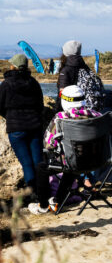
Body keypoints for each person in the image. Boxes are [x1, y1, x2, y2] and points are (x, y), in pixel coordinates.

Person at [28, 85, 102, 214]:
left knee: (42, 167)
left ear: (65, 101)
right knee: (70, 166)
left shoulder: (61, 118)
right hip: (97, 161)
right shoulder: (98, 116)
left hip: (72, 162)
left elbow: (48, 144)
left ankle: (43, 205)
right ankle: (58, 201)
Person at [0, 53, 44, 192]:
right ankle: (42, 191)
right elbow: (40, 105)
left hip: (16, 127)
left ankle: (32, 192)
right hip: (34, 126)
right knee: (38, 162)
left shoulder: (5, 84)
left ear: (13, 66)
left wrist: (10, 116)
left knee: (26, 163)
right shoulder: (33, 82)